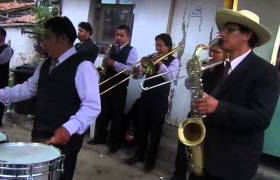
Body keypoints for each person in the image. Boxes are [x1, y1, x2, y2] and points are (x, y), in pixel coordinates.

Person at [0, 17, 101, 180]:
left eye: (47, 37)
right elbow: (27, 89)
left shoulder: (84, 67)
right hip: (40, 132)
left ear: (62, 38)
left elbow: (92, 106)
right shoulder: (44, 65)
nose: (43, 42)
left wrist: (69, 128)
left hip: (65, 141)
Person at [190, 9, 280, 180]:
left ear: (247, 34)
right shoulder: (214, 69)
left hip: (233, 165)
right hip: (204, 156)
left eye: (229, 29)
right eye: (223, 29)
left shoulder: (266, 72)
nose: (222, 33)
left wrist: (218, 107)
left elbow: (261, 118)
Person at [169, 39, 228, 180]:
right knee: (183, 146)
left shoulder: (227, 72)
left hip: (211, 117)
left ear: (226, 54)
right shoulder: (205, 66)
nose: (212, 54)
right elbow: (188, 85)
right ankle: (178, 175)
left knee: (202, 155)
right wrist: (193, 75)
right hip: (195, 114)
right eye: (211, 51)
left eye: (217, 52)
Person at [126, 33, 180, 172]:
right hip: (146, 96)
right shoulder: (150, 57)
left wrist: (160, 63)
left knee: (155, 132)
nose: (158, 48)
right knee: (141, 128)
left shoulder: (174, 61)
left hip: (160, 100)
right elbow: (141, 75)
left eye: (161, 45)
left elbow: (170, 77)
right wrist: (137, 72)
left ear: (168, 47)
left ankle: (150, 162)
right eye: (156, 45)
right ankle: (139, 155)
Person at [88, 25, 138, 153]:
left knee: (117, 116)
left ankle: (114, 143)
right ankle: (100, 137)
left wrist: (114, 63)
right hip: (106, 84)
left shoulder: (132, 51)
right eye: (117, 35)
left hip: (119, 88)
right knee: (103, 112)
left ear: (128, 37)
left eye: (122, 35)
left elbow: (130, 70)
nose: (118, 38)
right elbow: (104, 64)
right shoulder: (111, 48)